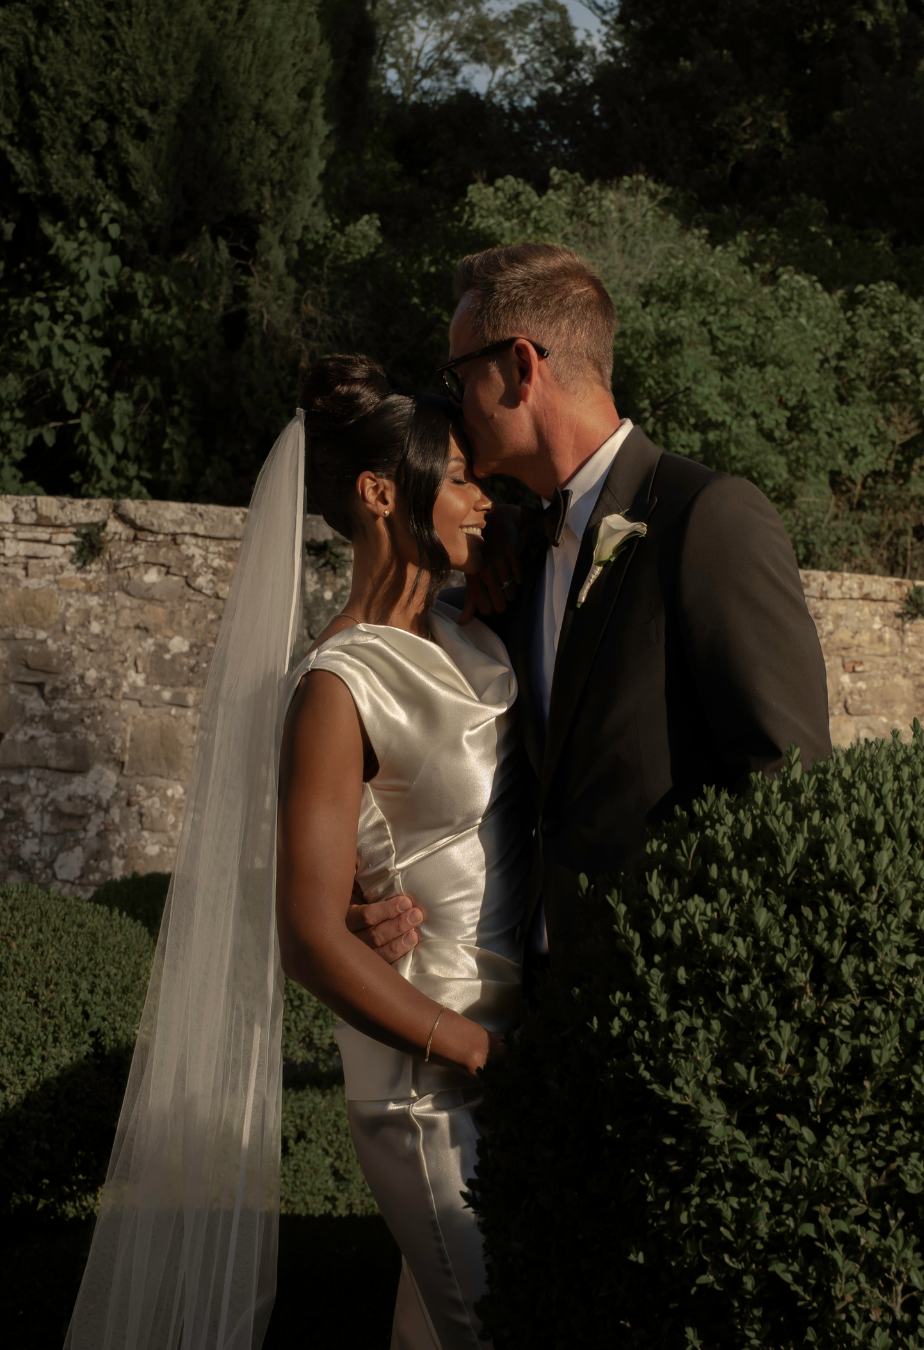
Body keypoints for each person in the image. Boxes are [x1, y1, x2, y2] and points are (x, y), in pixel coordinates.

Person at [66, 357, 528, 1350]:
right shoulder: (334, 686)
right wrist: (487, 1055)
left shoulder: (474, 631)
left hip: (514, 1043)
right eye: (456, 475)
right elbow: (313, 939)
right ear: (376, 492)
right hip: (432, 1074)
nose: (482, 496)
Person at [349, 241, 832, 973]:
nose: (450, 401)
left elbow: (788, 779)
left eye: (458, 374)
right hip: (528, 1012)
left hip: (667, 1001)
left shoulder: (707, 518)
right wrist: (357, 902)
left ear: (520, 367)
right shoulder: (511, 552)